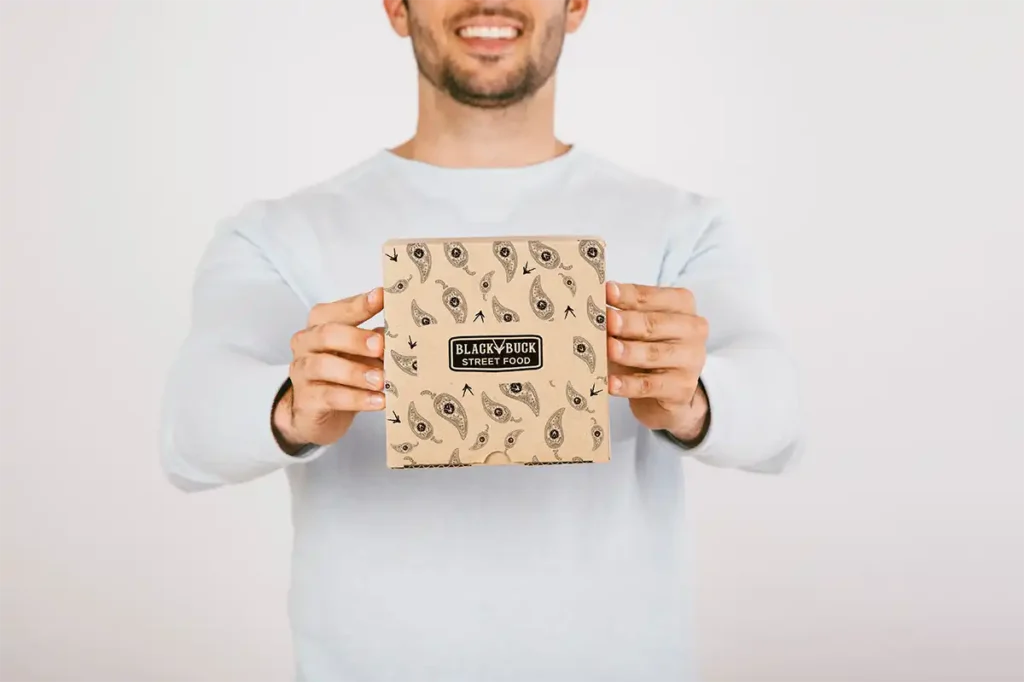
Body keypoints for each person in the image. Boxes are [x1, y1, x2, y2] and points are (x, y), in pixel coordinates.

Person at [159, 1, 803, 680]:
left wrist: (694, 398)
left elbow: (781, 420)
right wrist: (289, 407)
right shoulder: (277, 236)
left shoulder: (686, 227)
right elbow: (188, 435)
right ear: (395, 7)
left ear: (577, 4)